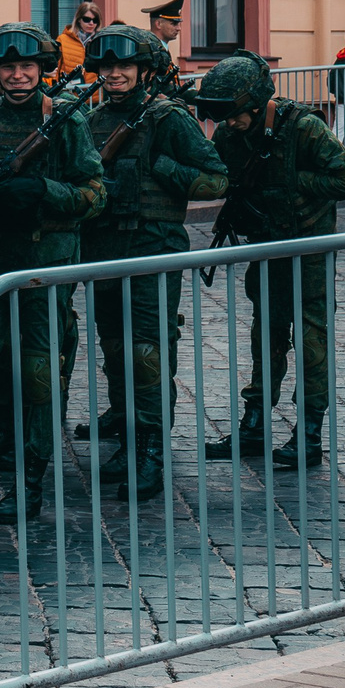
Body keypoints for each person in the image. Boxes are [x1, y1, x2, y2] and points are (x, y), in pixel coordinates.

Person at [0, 23, 103, 525]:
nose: (18, 76)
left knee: (39, 371)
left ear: (43, 70)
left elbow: (93, 192)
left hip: (45, 267)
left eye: (27, 67)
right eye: (8, 68)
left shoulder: (66, 122)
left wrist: (45, 191)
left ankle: (31, 477)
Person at [197, 55, 345, 469]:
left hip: (307, 250)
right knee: (266, 339)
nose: (229, 124)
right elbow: (219, 173)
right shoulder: (229, 133)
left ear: (255, 104)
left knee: (311, 342)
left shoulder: (304, 127)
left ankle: (308, 435)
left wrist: (291, 183)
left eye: (235, 115)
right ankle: (254, 427)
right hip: (267, 248)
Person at [78, 26, 227, 495]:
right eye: (106, 67)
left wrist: (164, 169)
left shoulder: (167, 118)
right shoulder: (95, 118)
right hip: (103, 251)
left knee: (147, 352)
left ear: (143, 70)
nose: (115, 74)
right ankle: (126, 436)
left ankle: (151, 452)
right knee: (117, 350)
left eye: (124, 66)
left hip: (152, 249)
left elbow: (216, 178)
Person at [55, 1, 103, 79]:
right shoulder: (63, 40)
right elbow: (55, 70)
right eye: (87, 19)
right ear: (78, 19)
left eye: (95, 20)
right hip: (69, 89)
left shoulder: (100, 41)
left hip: (95, 89)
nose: (91, 23)